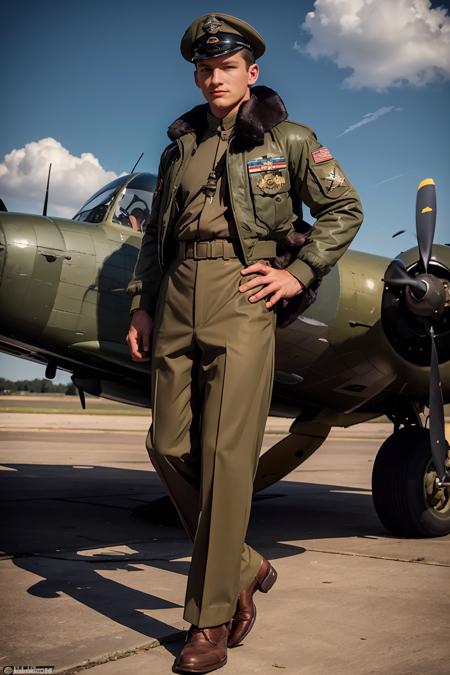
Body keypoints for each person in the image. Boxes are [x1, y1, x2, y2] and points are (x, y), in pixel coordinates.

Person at [126, 12, 363, 673]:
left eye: (226, 67)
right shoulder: (179, 151)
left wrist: (297, 273)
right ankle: (246, 564)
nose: (213, 77)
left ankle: (210, 618)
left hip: (244, 293)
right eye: (204, 68)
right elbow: (153, 238)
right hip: (176, 295)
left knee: (227, 454)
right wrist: (143, 306)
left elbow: (344, 209)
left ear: (249, 73)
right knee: (166, 443)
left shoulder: (288, 139)